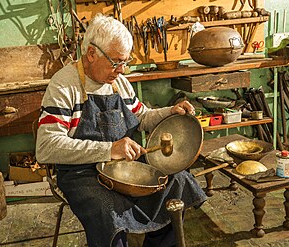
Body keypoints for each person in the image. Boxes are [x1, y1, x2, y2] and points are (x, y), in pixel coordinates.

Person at [36, 13, 206, 247]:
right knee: (107, 211)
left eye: (125, 62)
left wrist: (170, 111)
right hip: (81, 174)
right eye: (116, 62)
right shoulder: (64, 86)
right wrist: (110, 149)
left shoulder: (119, 83)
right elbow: (46, 148)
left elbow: (142, 117)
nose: (122, 70)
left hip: (124, 168)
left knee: (179, 183)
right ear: (92, 53)